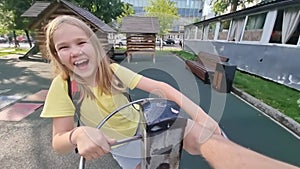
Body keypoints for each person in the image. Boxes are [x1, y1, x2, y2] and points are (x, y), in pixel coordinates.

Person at [41, 15, 299, 169]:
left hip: (142, 127)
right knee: (140, 165)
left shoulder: (111, 71)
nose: (74, 51)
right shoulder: (63, 87)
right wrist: (78, 134)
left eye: (81, 42)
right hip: (119, 145)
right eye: (64, 47)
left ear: (94, 46)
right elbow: (59, 141)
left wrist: (202, 118)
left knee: (194, 132)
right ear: (56, 55)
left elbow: (161, 87)